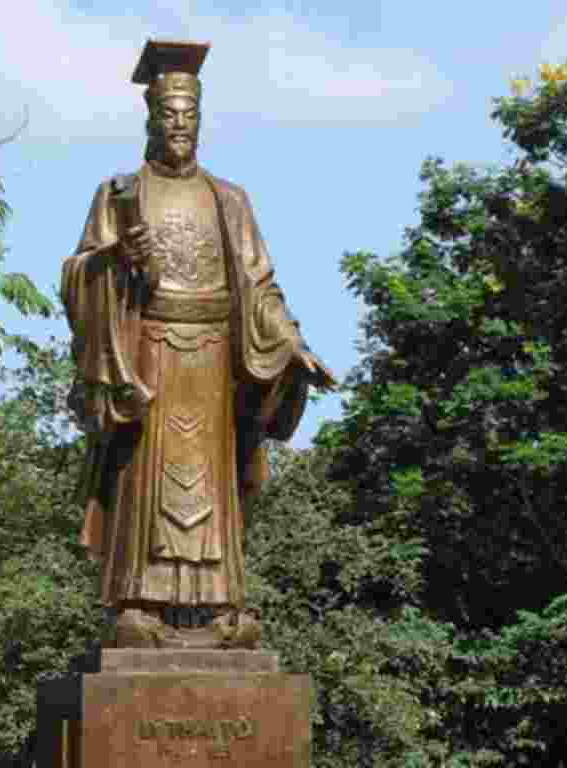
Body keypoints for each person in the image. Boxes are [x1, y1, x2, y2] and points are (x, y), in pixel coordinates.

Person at [61, 39, 336, 649]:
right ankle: (140, 605)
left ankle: (217, 612)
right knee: (147, 480)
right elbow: (78, 274)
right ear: (151, 120)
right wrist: (114, 261)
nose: (179, 126)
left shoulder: (229, 200)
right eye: (168, 116)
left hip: (214, 362)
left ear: (200, 122)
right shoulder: (119, 194)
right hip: (150, 353)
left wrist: (291, 345)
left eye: (190, 117)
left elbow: (260, 287)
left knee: (210, 483)